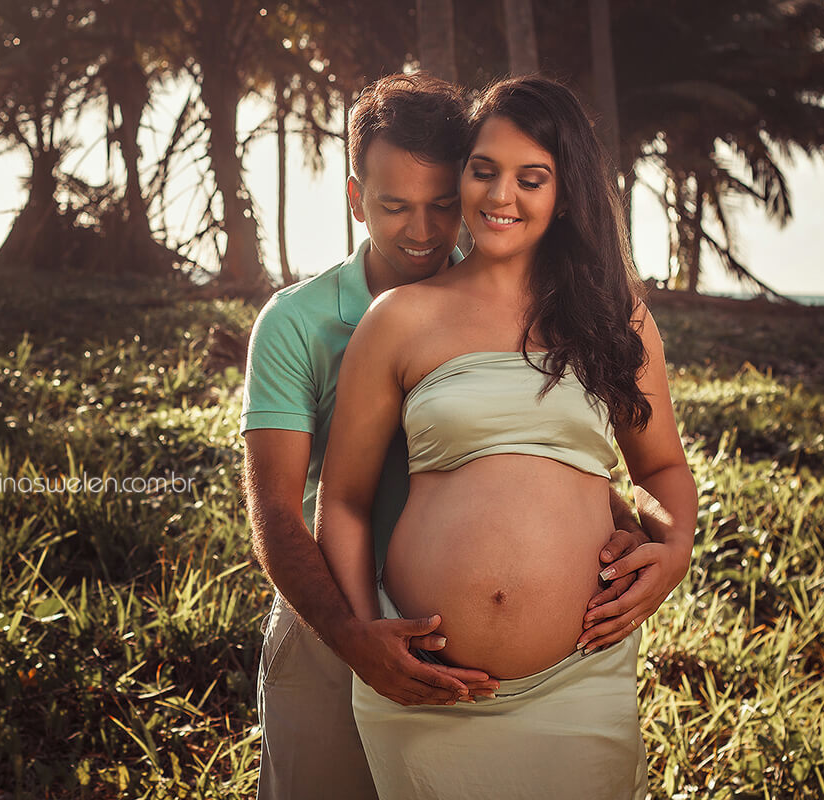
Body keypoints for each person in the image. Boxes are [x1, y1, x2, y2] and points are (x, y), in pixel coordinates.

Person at [241, 73, 656, 800]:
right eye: (394, 206)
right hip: (329, 619)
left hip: (476, 661)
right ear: (353, 198)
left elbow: (545, 448)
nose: (423, 232)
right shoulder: (295, 322)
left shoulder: (501, 305)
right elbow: (277, 515)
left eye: (440, 205)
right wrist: (352, 636)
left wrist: (613, 516)